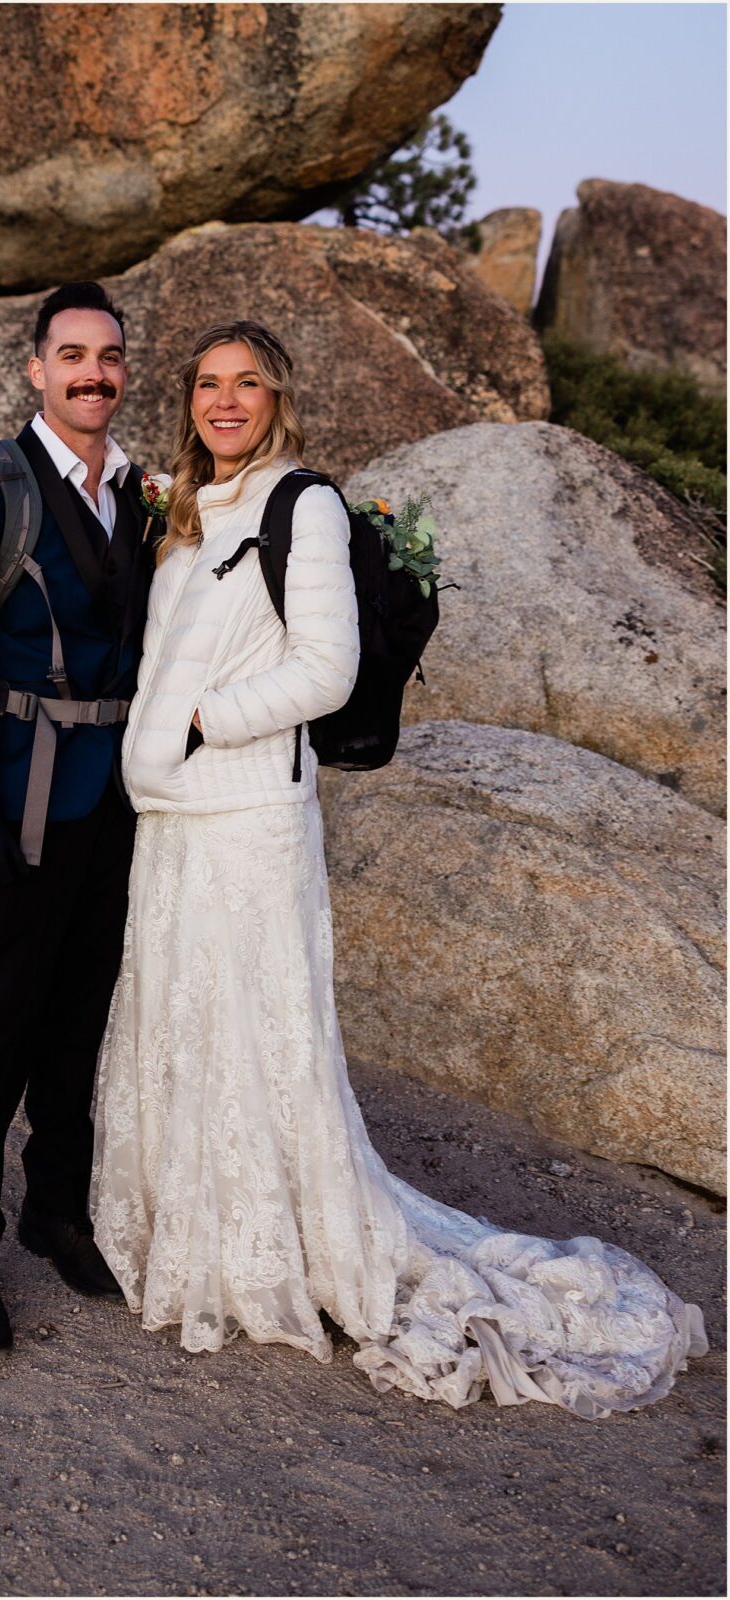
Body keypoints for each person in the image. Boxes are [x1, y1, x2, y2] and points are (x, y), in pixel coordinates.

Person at [90, 319, 709, 1418]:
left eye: (245, 385)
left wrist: (196, 718)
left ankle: (281, 1252)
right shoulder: (188, 514)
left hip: (246, 817)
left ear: (278, 397)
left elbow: (325, 671)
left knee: (258, 1034)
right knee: (185, 1021)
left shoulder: (304, 505)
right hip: (172, 818)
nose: (222, 402)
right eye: (205, 385)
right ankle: (204, 1238)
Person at [0, 281, 152, 1356]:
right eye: (71, 356)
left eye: (106, 357)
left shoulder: (135, 493)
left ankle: (55, 1208)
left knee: (83, 1012)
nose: (90, 373)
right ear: (35, 369)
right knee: (0, 1019)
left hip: (115, 804)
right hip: (18, 800)